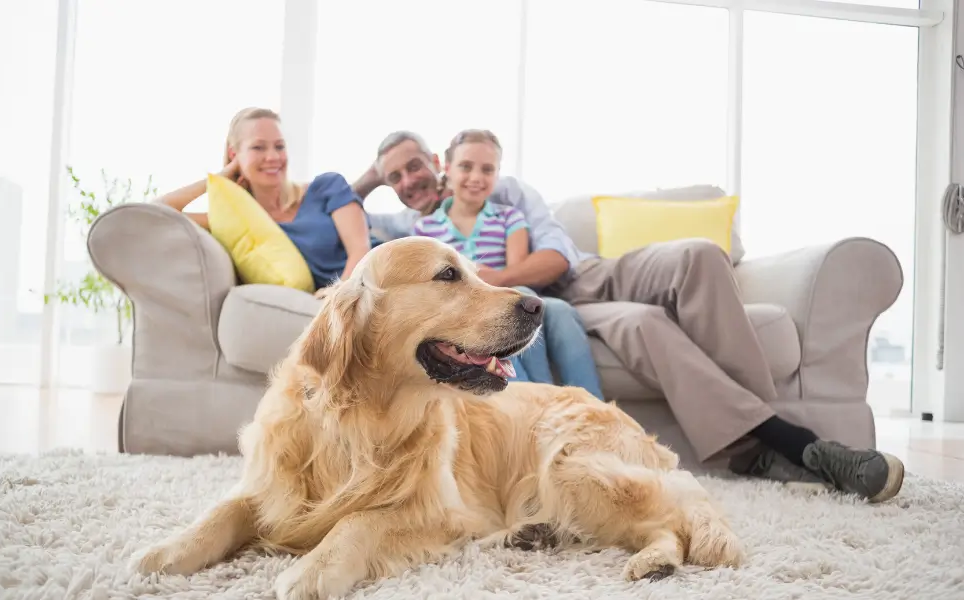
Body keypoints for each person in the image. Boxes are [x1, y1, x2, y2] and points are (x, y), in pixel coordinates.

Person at [353, 130, 905, 504]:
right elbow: (335, 214)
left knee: (699, 255)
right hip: (564, 309)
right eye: (394, 176)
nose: (409, 181)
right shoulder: (408, 227)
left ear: (437, 160)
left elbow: (555, 257)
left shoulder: (504, 191)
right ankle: (796, 445)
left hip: (588, 275)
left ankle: (768, 445)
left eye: (414, 166)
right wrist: (368, 181)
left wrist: (494, 281)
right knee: (644, 327)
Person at [411, 129, 605, 399]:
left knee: (559, 310)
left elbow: (515, 277)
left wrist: (495, 283)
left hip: (508, 296)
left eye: (488, 170)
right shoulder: (425, 228)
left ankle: (592, 404)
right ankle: (536, 399)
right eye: (466, 166)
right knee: (534, 302)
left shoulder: (509, 217)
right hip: (466, 309)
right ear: (447, 168)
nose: (477, 177)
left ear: (498, 174)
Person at [153, 107, 375, 298]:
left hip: (376, 277)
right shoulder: (241, 223)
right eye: (258, 147)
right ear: (234, 154)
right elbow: (157, 213)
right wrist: (219, 177)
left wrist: (338, 295)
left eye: (279, 146)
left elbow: (360, 250)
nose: (273, 157)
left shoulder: (326, 186)